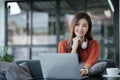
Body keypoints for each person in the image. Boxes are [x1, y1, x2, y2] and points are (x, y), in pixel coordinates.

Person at [58, 12, 102, 76]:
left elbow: (90, 62)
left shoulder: (94, 44)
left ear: (88, 28)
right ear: (73, 25)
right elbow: (67, 66)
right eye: (77, 24)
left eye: (84, 26)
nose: (80, 28)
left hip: (85, 76)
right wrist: (74, 47)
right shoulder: (63, 44)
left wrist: (84, 70)